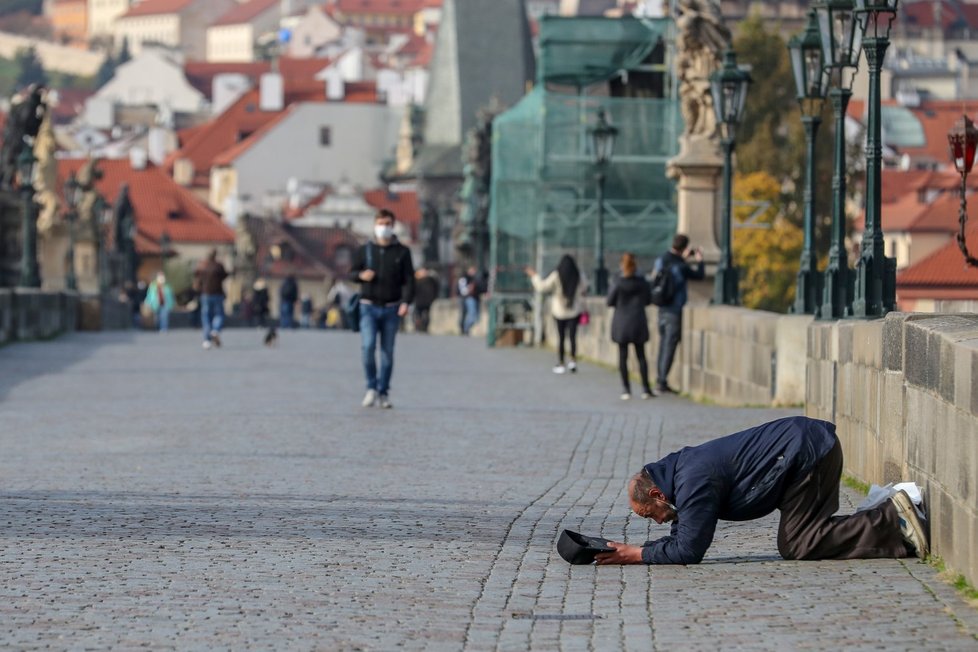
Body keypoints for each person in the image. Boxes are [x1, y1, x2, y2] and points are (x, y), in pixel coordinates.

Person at [594, 416, 928, 565]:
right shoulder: (680, 475)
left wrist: (636, 554)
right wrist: (638, 550)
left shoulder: (693, 479)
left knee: (797, 542)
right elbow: (684, 534)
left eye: (649, 515)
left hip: (808, 455)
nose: (655, 522)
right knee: (801, 538)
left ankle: (894, 518)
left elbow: (690, 550)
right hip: (803, 452)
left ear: (657, 496)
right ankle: (888, 514)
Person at [349, 209, 415, 409]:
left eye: (387, 223)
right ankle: (371, 387)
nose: (383, 227)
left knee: (387, 353)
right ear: (375, 224)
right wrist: (361, 276)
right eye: (380, 223)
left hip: (392, 308)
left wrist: (406, 302)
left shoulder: (402, 252)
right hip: (368, 306)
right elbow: (351, 273)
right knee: (368, 347)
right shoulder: (365, 250)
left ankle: (383, 391)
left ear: (392, 225)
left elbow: (410, 281)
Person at [651, 234, 705, 394]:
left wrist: (683, 258)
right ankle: (662, 382)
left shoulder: (661, 259)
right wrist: (700, 260)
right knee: (670, 345)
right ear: (684, 248)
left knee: (663, 345)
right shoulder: (680, 265)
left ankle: (659, 378)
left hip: (661, 308)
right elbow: (699, 276)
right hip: (674, 310)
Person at [525, 255, 587, 374]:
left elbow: (542, 287)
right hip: (574, 310)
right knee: (573, 337)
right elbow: (584, 287)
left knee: (561, 337)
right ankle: (573, 361)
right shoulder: (579, 275)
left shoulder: (556, 275)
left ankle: (561, 363)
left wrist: (534, 276)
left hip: (559, 311)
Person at [606, 252, 653, 399]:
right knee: (641, 356)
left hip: (622, 322)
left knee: (623, 356)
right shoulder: (642, 282)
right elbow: (648, 300)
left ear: (622, 264)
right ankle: (645, 388)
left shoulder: (617, 282)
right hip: (638, 320)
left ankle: (626, 389)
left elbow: (609, 301)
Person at [194, 249, 228, 349]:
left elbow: (197, 277)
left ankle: (206, 340)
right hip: (217, 293)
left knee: (206, 317)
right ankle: (215, 330)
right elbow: (225, 276)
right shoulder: (218, 266)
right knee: (219, 314)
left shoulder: (202, 267)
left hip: (206, 294)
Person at [413, 268, 439, 333]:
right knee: (418, 314)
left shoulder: (430, 281)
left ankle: (423, 327)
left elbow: (435, 290)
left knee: (424, 315)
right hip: (420, 301)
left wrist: (433, 298)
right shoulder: (417, 281)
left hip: (424, 301)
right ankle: (419, 326)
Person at [457, 266, 482, 335]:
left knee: (476, 317)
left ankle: (465, 328)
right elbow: (463, 290)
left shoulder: (477, 278)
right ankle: (465, 329)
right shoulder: (464, 278)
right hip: (468, 298)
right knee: (467, 314)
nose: (474, 272)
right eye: (472, 270)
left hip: (476, 298)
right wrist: (469, 289)